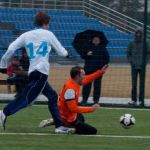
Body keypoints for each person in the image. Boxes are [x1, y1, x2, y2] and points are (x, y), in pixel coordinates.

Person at [0, 12, 74, 134]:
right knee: (27, 99)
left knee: (53, 96)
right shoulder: (48, 34)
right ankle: (4, 112)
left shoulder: (26, 35)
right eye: (48, 23)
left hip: (34, 72)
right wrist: (67, 55)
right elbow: (61, 52)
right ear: (46, 23)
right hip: (41, 72)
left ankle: (59, 126)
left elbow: (11, 48)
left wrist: (2, 66)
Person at [39, 65, 108, 135]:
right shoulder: (70, 90)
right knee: (92, 131)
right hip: (68, 117)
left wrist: (100, 72)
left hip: (68, 114)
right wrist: (91, 109)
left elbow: (87, 79)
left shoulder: (75, 82)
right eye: (83, 75)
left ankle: (58, 120)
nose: (85, 76)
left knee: (81, 118)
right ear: (77, 76)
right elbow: (73, 109)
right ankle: (66, 126)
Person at [81, 36, 109, 105]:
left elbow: (107, 58)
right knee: (86, 85)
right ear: (92, 40)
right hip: (88, 70)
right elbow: (82, 56)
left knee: (97, 86)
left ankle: (96, 100)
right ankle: (84, 99)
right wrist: (87, 54)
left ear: (99, 41)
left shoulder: (103, 48)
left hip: (98, 71)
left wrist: (103, 67)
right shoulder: (88, 47)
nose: (96, 40)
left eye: (97, 39)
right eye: (94, 39)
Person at [127, 29, 150, 105]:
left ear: (142, 34)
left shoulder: (145, 43)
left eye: (139, 33)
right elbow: (128, 54)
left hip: (142, 67)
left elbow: (148, 53)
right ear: (135, 34)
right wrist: (131, 62)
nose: (138, 34)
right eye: (137, 33)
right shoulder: (131, 43)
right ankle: (133, 100)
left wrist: (144, 63)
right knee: (134, 85)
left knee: (141, 84)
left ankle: (141, 100)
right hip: (134, 67)